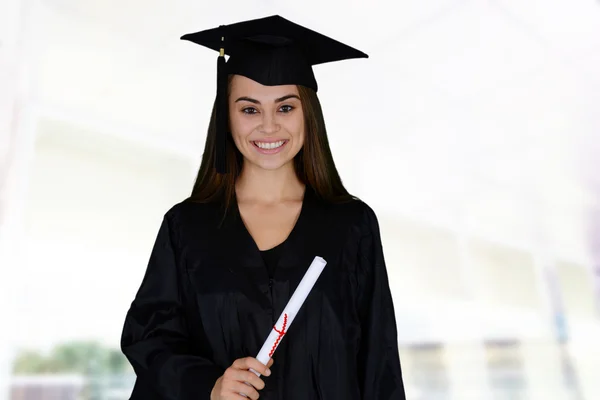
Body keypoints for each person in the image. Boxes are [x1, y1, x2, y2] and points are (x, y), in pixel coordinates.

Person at [120, 15, 406, 400]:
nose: (268, 127)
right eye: (249, 109)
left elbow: (379, 362)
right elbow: (149, 338)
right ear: (227, 115)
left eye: (285, 108)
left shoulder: (351, 225)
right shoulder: (186, 226)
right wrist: (210, 384)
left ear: (308, 114)